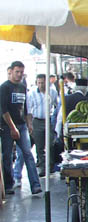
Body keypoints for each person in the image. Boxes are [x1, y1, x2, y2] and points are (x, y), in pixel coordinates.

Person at [0, 61, 42, 195]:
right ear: (11, 71)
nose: (19, 75)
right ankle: (8, 185)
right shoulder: (4, 88)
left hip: (22, 125)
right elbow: (3, 110)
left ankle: (35, 185)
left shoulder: (23, 87)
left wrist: (29, 124)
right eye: (17, 72)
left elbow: (25, 109)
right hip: (7, 127)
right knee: (7, 156)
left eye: (21, 72)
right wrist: (12, 128)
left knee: (28, 154)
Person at [15, 74, 58, 182]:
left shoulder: (52, 92)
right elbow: (29, 110)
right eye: (39, 82)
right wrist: (30, 124)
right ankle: (43, 167)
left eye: (42, 82)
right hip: (37, 121)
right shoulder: (32, 93)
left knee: (50, 144)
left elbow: (57, 105)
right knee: (39, 146)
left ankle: (50, 165)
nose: (41, 85)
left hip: (48, 120)